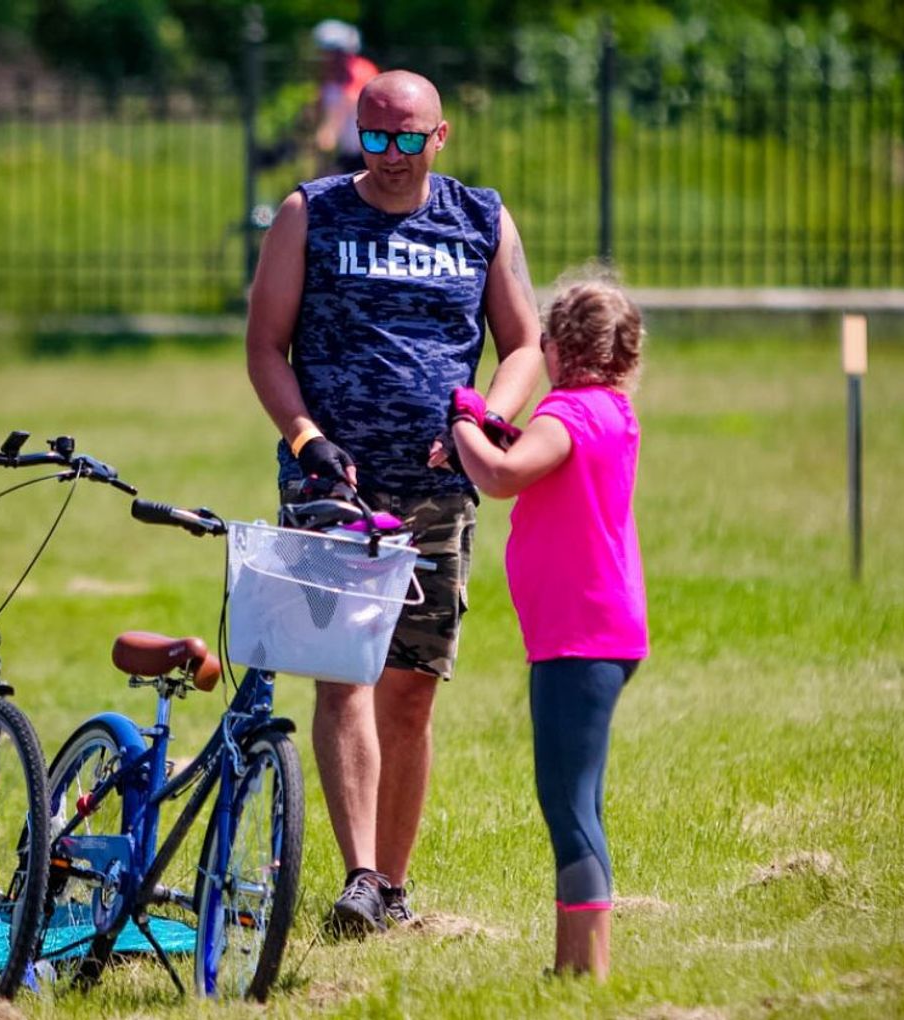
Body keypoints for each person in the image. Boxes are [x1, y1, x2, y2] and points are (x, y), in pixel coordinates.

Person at [245, 69, 543, 936]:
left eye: (409, 139)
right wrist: (307, 438)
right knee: (343, 677)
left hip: (438, 488)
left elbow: (524, 345)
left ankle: (393, 888)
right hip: (333, 485)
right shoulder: (311, 213)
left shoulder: (479, 218)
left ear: (439, 136)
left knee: (411, 691)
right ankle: (359, 878)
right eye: (374, 138)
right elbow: (265, 346)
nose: (390, 156)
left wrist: (481, 420)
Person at [449, 269, 649, 978]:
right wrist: (501, 434)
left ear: (557, 349)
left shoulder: (566, 415)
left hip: (577, 636)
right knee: (578, 797)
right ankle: (574, 965)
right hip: (603, 629)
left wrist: (465, 420)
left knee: (567, 805)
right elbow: (540, 461)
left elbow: (501, 477)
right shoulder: (611, 411)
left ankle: (584, 971)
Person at [310, 19, 379, 177]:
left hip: (368, 154)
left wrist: (328, 132)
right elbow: (321, 102)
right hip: (346, 153)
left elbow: (346, 102)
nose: (326, 59)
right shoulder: (331, 75)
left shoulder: (361, 70)